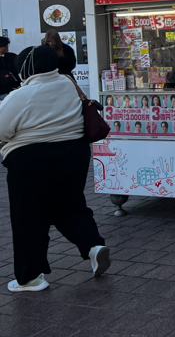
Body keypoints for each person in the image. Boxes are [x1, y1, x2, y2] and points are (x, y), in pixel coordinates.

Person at [0, 46, 109, 292]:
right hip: (74, 155)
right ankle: (93, 246)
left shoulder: (22, 95)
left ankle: (30, 278)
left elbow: (2, 129)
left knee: (28, 216)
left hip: (31, 160)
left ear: (25, 68)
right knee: (70, 207)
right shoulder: (68, 84)